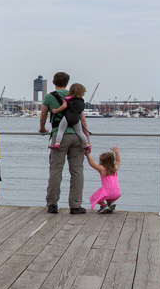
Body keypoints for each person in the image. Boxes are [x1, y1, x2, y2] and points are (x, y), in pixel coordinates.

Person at [40, 70, 89, 214]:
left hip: (59, 137)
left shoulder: (49, 97)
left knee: (56, 170)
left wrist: (42, 128)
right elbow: (83, 120)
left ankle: (52, 204)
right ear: (67, 83)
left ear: (53, 82)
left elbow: (43, 116)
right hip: (77, 137)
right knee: (77, 171)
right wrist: (87, 141)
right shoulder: (75, 96)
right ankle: (75, 205)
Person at [48, 82, 91, 152]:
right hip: (76, 119)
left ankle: (57, 143)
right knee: (80, 132)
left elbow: (64, 106)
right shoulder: (81, 101)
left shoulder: (68, 98)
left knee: (60, 130)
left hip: (67, 117)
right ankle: (87, 145)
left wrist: (56, 110)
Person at [88, 146, 122, 213]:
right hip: (116, 192)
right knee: (105, 194)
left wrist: (87, 154)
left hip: (108, 192)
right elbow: (118, 161)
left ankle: (104, 206)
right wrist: (116, 151)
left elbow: (92, 164)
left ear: (102, 161)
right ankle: (110, 203)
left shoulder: (102, 169)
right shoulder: (114, 168)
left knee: (94, 197)